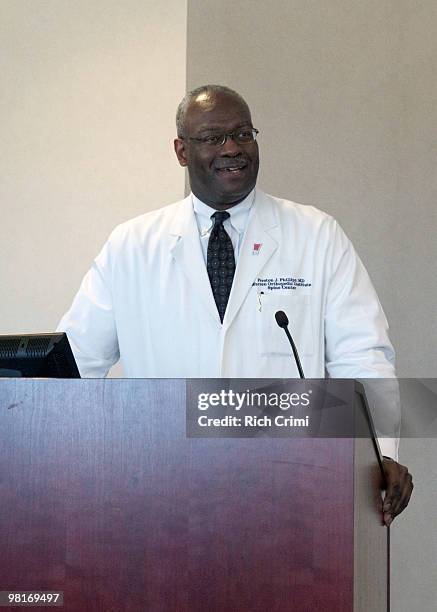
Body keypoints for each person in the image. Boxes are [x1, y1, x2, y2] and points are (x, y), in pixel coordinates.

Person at [58, 84, 413, 524]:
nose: (233, 148)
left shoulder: (316, 235)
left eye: (244, 134)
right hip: (159, 480)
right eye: (212, 137)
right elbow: (74, 364)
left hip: (290, 480)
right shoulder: (132, 245)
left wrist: (381, 452)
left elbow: (362, 355)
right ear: (182, 151)